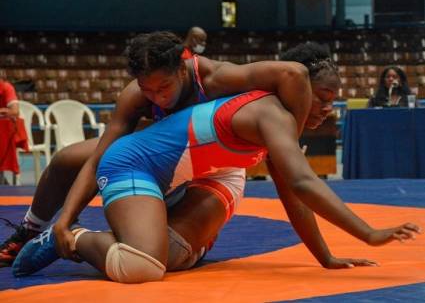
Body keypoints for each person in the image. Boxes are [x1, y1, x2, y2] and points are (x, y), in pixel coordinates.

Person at [13, 43, 420, 283]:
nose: (329, 110)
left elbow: (291, 190)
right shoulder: (247, 96)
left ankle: (137, 232)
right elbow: (302, 181)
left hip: (207, 166)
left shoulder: (269, 113)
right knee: (73, 163)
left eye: (335, 100)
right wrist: (368, 233)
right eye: (324, 98)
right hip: (145, 159)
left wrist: (325, 256)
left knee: (172, 256)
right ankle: (52, 233)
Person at [0, 31, 312, 267]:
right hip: (162, 156)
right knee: (67, 159)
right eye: (148, 91)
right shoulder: (137, 94)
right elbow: (100, 158)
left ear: (182, 69)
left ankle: (187, 236)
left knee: (165, 259)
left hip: (215, 170)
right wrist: (66, 218)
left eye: (163, 89)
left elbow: (293, 73)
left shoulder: (215, 77)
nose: (158, 98)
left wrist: (291, 140)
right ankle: (31, 229)